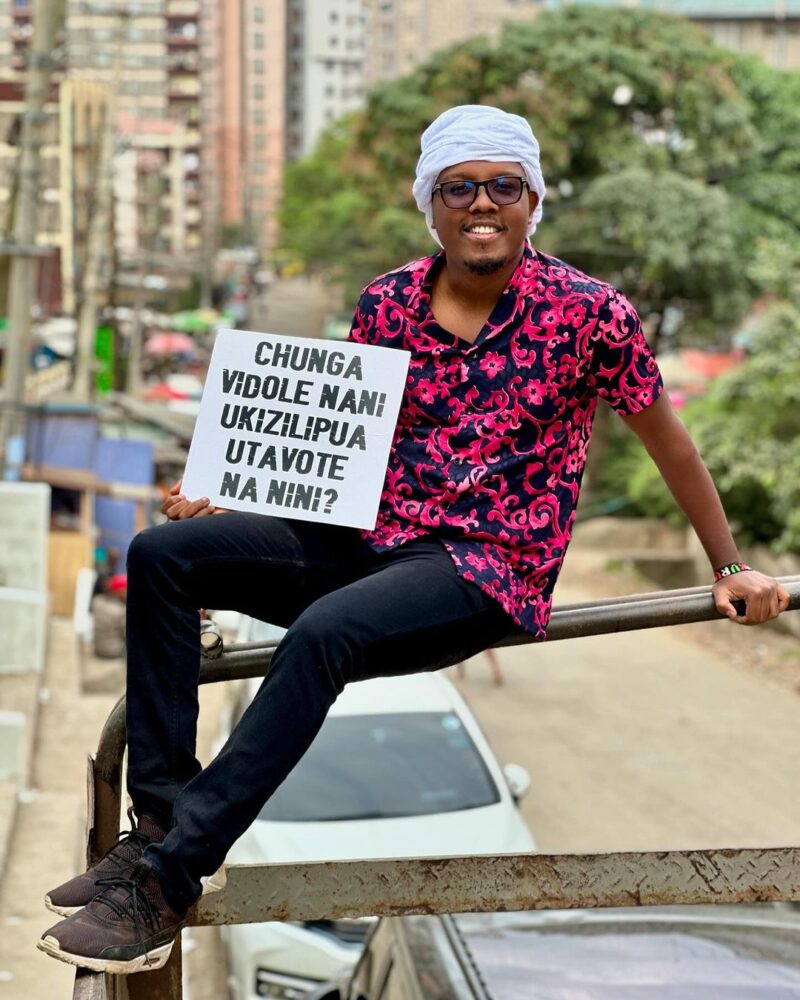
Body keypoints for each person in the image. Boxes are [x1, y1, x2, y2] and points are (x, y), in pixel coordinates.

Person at [39, 105, 790, 973]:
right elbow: (340, 455)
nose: (482, 204)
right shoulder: (387, 302)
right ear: (430, 204)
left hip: (484, 565)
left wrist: (730, 564)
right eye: (459, 187)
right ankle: (158, 826)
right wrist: (232, 495)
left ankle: (168, 885)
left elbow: (672, 442)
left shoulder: (590, 315)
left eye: (502, 186)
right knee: (163, 557)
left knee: (325, 633)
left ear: (532, 201)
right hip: (368, 540)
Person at [90, 573, 127, 660]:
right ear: (119, 591)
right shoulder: (121, 610)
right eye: (125, 590)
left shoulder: (97, 601)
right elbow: (125, 635)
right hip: (112, 652)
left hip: (97, 648)